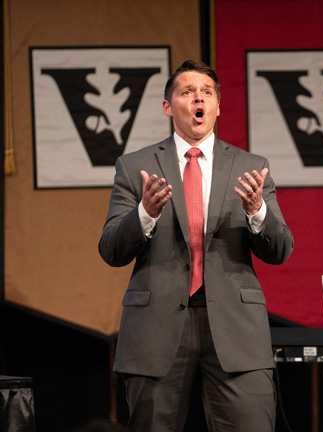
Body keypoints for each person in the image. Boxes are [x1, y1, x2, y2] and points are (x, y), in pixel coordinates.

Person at [98, 60, 293, 432]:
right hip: (156, 330)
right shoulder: (135, 166)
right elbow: (111, 249)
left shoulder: (251, 167)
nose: (198, 98)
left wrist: (257, 212)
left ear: (218, 105)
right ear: (168, 106)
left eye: (207, 92)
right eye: (187, 92)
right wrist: (144, 213)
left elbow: (281, 249)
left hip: (236, 329)